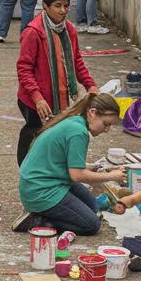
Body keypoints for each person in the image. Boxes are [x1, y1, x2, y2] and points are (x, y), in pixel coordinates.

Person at [15, 92, 125, 236]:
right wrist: (111, 176)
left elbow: (67, 162)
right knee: (92, 225)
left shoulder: (75, 121)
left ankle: (43, 212)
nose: (106, 130)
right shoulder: (78, 132)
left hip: (40, 184)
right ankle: (38, 220)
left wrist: (94, 167)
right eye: (106, 124)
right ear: (92, 113)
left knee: (94, 207)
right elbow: (77, 175)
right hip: (41, 191)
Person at [14, 0, 99, 165]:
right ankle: (25, 171)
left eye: (66, 6)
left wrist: (90, 85)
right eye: (57, 6)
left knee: (54, 137)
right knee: (34, 134)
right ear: (45, 6)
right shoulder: (33, 32)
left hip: (60, 98)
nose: (62, 11)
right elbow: (24, 69)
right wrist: (38, 99)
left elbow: (76, 62)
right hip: (33, 100)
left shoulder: (70, 31)